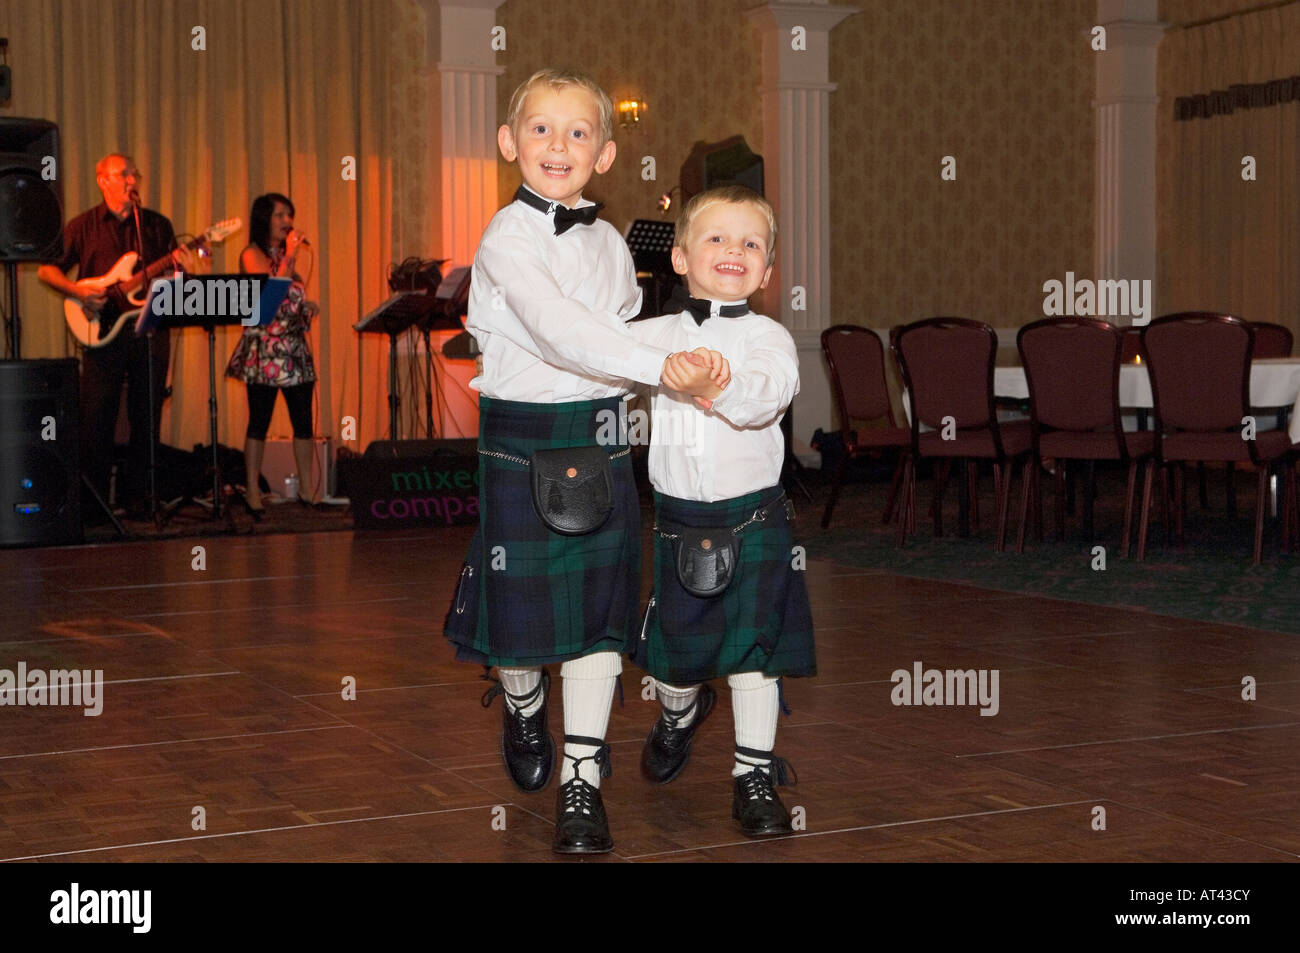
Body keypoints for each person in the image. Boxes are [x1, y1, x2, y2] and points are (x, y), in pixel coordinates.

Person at [443, 67, 727, 854]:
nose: (558, 146)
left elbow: (634, 331)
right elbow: (561, 331)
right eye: (541, 129)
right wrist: (659, 362)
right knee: (524, 633)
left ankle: (582, 779)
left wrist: (707, 344)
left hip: (601, 432)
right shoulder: (506, 237)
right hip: (522, 435)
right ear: (509, 143)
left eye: (578, 133)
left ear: (604, 153)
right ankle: (524, 701)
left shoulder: (608, 242)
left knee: (599, 622)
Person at [627, 185, 816, 836]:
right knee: (674, 658)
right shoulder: (654, 335)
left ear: (766, 271)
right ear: (680, 257)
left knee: (754, 650)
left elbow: (767, 396)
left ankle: (754, 776)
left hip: (756, 517)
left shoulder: (771, 338)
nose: (733, 249)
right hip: (680, 521)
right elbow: (597, 362)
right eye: (716, 237)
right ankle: (680, 710)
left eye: (751, 243)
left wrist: (718, 385)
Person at [37, 153, 189, 521]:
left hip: (147, 329)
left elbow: (175, 275)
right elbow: (46, 269)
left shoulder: (155, 225)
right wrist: (78, 292)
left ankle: (139, 499)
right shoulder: (84, 225)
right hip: (100, 332)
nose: (131, 180)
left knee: (147, 414)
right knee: (97, 416)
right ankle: (94, 505)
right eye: (123, 174)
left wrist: (177, 272)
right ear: (103, 180)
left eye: (133, 174)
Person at [225, 192, 320, 513]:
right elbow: (268, 297)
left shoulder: (286, 257)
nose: (287, 222)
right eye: (280, 215)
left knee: (303, 422)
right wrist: (290, 255)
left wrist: (306, 308)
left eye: (289, 215)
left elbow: (287, 304)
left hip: (293, 352)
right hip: (264, 352)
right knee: (259, 421)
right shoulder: (251, 254)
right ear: (264, 219)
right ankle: (252, 490)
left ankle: (307, 489)